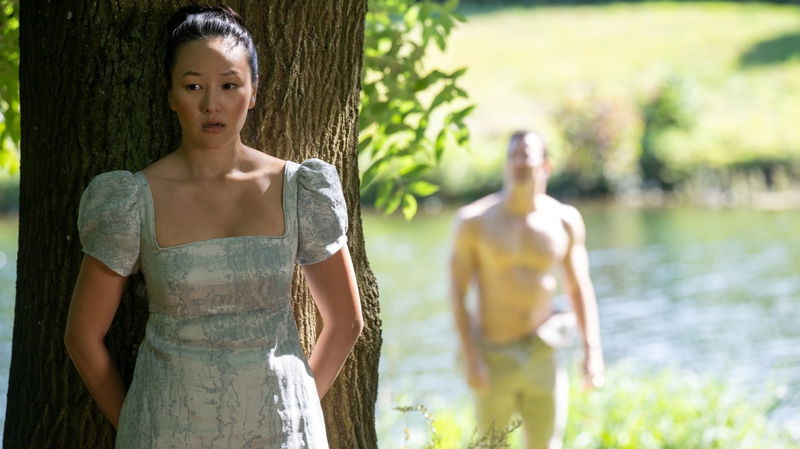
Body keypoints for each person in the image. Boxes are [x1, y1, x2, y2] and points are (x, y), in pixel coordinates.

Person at [63, 5, 362, 448]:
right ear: (171, 95)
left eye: (229, 85)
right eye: (193, 87)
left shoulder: (300, 189)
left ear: (253, 91)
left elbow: (346, 321)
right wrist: (137, 426)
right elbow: (82, 337)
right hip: (163, 432)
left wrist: (297, 410)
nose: (211, 104)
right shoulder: (131, 199)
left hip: (283, 430)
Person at [449, 130, 604, 449]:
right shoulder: (474, 221)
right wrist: (470, 355)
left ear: (546, 165)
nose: (518, 162)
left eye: (526, 155)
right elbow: (457, 293)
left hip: (542, 351)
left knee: (546, 445)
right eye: (513, 156)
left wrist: (592, 350)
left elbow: (579, 288)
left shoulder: (564, 221)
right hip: (493, 353)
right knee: (490, 445)